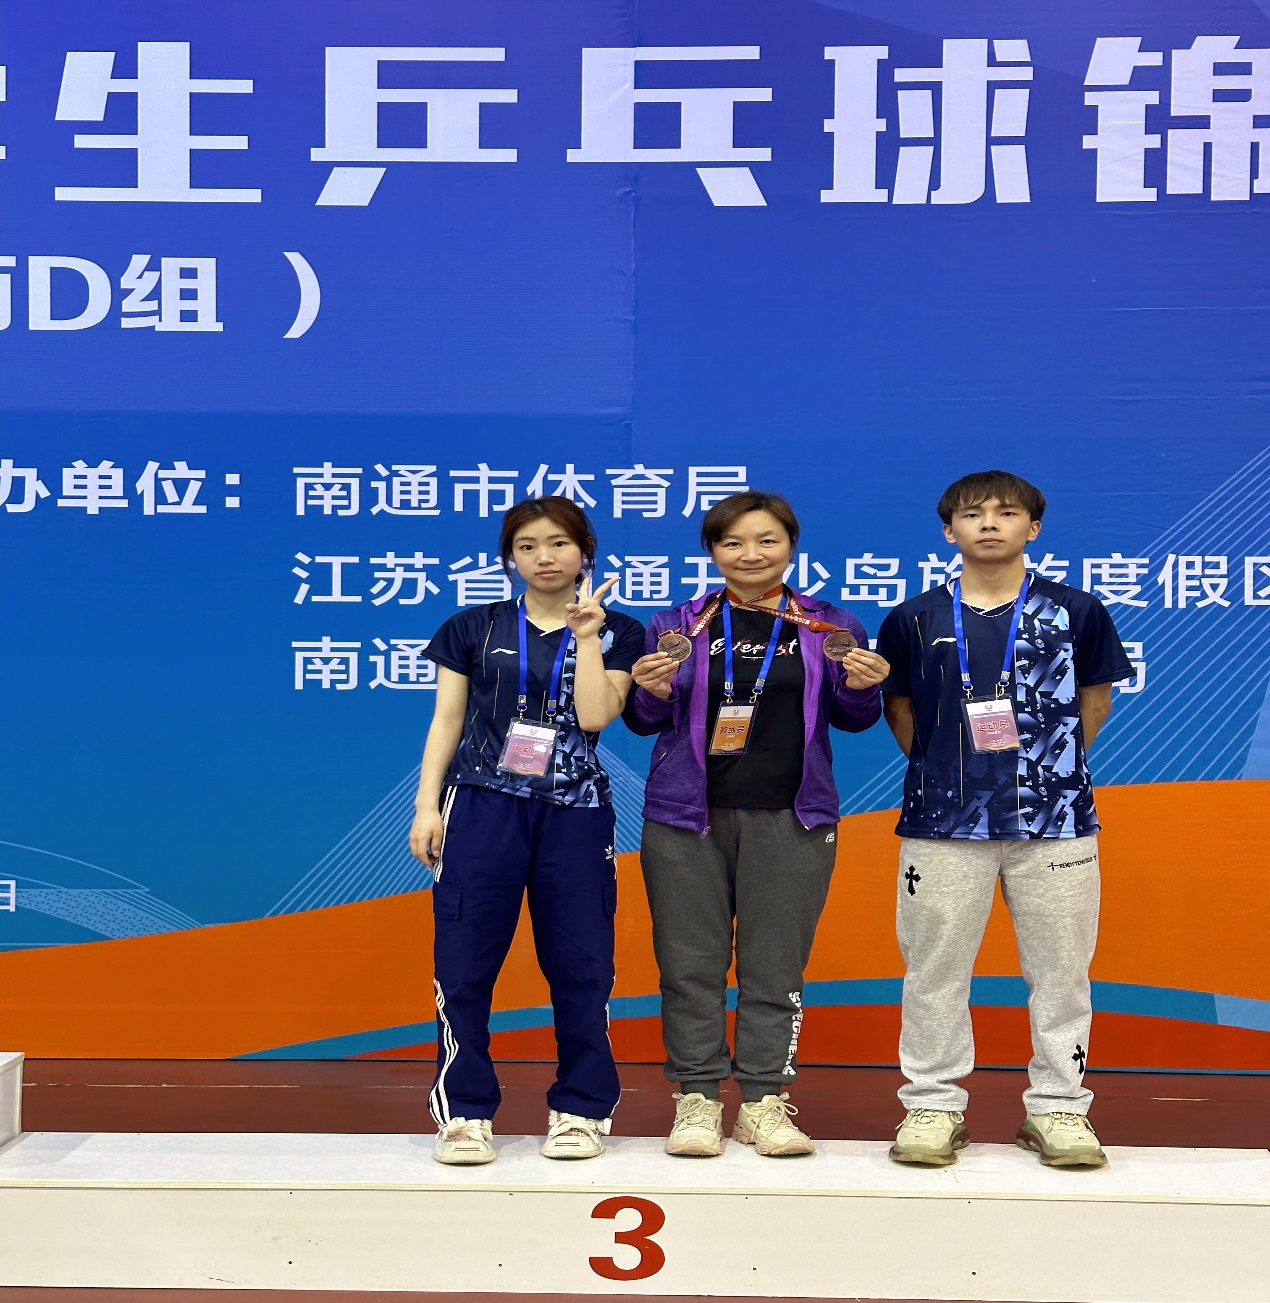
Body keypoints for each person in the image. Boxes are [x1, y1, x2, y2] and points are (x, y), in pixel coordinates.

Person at [876, 471, 1132, 1169]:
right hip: (941, 822)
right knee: (934, 969)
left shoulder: (1076, 610)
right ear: (948, 530)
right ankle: (932, 1105)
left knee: (1062, 971)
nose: (989, 523)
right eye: (972, 513)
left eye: (1007, 512)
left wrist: (1045, 774)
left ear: (1033, 528)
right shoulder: (913, 618)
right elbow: (900, 709)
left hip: (1056, 820)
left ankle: (1058, 1107)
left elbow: (1095, 701)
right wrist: (949, 772)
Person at [624, 491, 889, 1158]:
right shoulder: (677, 624)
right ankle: (697, 1098)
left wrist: (864, 687)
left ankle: (763, 1101)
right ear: (712, 550)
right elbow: (644, 721)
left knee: (776, 969)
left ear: (791, 546)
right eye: (733, 542)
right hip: (685, 818)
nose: (750, 554)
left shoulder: (828, 625)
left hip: (793, 816)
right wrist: (651, 691)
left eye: (767, 540)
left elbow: (854, 718)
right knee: (689, 965)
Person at [409, 496, 645, 1165]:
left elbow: (595, 717)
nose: (545, 557)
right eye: (528, 546)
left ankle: (580, 1108)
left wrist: (589, 636)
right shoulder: (472, 627)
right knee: (464, 962)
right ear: (509, 557)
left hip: (576, 812)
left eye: (559, 543)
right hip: (482, 807)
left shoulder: (621, 630)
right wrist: (427, 806)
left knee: (582, 964)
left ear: (585, 552)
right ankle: (464, 1111)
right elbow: (447, 720)